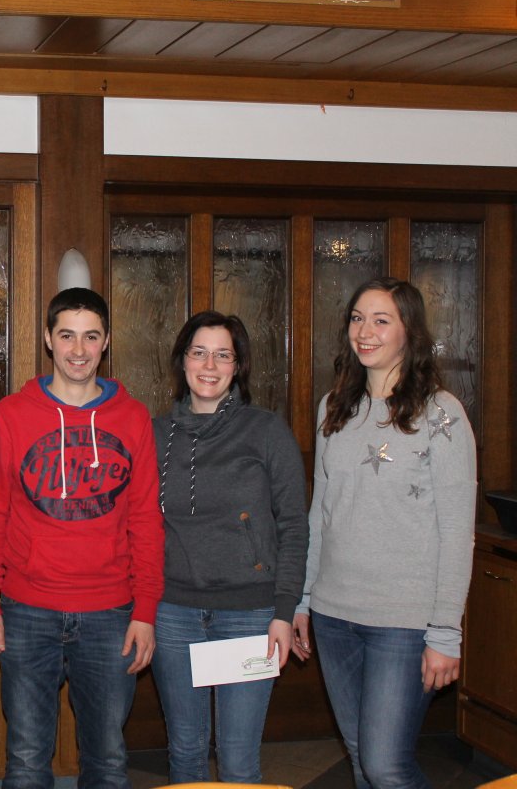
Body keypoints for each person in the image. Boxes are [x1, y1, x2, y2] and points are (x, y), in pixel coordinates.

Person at [0, 287, 164, 789]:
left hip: (111, 614)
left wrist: (146, 610)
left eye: (90, 337)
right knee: (25, 759)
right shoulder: (12, 414)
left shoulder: (133, 417)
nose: (78, 350)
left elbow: (146, 520)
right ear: (47, 339)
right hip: (25, 610)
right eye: (67, 336)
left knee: (107, 760)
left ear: (106, 341)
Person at [292, 277, 476, 789]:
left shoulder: (441, 414)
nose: (364, 331)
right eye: (357, 319)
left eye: (381, 320)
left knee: (385, 765)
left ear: (408, 331)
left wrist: (446, 632)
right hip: (334, 615)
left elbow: (457, 531)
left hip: (404, 622)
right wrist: (304, 598)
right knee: (360, 757)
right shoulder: (334, 407)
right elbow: (320, 513)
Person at [151, 310, 308, 783]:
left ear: (238, 367)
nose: (209, 365)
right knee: (185, 752)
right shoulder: (155, 434)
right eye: (199, 352)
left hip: (248, 616)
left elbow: (294, 526)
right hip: (173, 614)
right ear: (182, 360)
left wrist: (284, 611)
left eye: (223, 355)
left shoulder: (266, 430)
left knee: (238, 759)